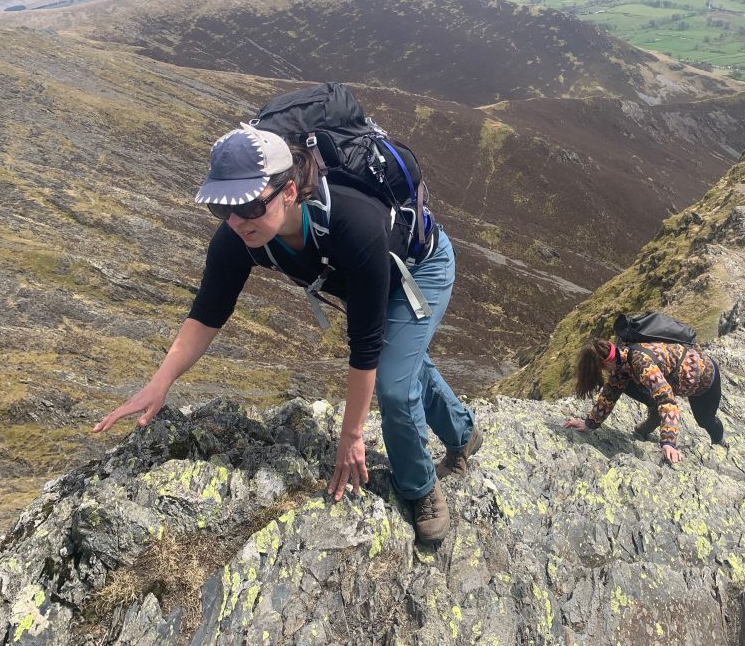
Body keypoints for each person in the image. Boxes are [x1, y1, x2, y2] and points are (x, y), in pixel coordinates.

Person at [93, 126, 481, 543]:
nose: (237, 222)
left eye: (250, 206)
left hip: (421, 269)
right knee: (404, 362)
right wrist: (160, 382)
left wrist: (351, 435)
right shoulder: (238, 237)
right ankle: (464, 435)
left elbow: (365, 346)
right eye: (222, 210)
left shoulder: (354, 222)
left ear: (290, 191)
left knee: (393, 384)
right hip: (367, 280)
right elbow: (208, 313)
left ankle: (420, 488)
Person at [563, 338, 725, 463]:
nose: (604, 372)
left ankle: (719, 441)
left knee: (705, 420)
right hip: (680, 379)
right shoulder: (621, 358)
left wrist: (668, 443)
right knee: (623, 385)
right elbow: (609, 395)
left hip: (704, 378)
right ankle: (654, 414)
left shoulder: (642, 364)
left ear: (606, 362)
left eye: (602, 369)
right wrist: (588, 424)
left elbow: (667, 401)